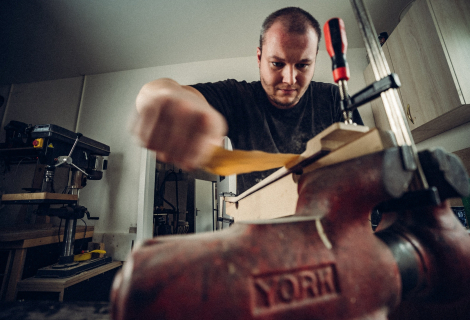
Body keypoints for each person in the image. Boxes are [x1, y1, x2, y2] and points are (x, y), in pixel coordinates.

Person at [133, 7, 363, 194]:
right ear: (259, 57)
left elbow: (368, 163)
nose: (290, 79)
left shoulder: (334, 98)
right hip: (257, 236)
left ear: (314, 61)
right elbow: (159, 91)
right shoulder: (238, 97)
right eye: (277, 64)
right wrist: (166, 103)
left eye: (303, 65)